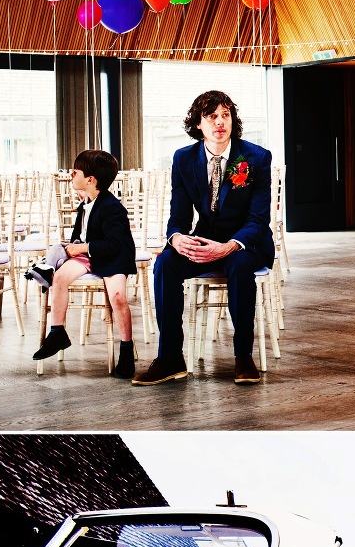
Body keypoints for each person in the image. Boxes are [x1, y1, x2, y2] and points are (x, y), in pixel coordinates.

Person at [132, 90, 274, 387]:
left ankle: (243, 357)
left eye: (226, 115)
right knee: (166, 263)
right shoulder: (184, 159)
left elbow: (259, 219)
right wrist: (176, 238)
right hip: (206, 239)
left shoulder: (256, 157)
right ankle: (170, 358)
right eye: (211, 117)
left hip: (246, 243)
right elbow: (179, 214)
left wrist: (229, 246)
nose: (220, 122)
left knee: (238, 265)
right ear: (198, 124)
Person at [29, 150, 137, 378]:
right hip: (90, 254)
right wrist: (76, 247)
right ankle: (57, 332)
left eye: (75, 171)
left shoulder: (113, 208)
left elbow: (115, 244)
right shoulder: (87, 202)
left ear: (91, 179)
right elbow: (81, 232)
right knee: (59, 277)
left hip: (112, 255)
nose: (70, 175)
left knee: (117, 296)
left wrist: (82, 247)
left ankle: (126, 350)